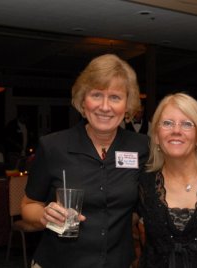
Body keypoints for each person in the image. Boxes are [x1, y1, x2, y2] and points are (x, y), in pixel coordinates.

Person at [21, 54, 149, 268]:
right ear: (82, 100)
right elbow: (28, 205)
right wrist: (44, 215)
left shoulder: (142, 147)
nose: (105, 107)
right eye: (96, 95)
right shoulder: (53, 147)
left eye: (115, 97)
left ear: (128, 104)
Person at [137, 93, 197, 267]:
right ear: (156, 135)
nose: (176, 130)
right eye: (167, 123)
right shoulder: (143, 181)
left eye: (187, 124)